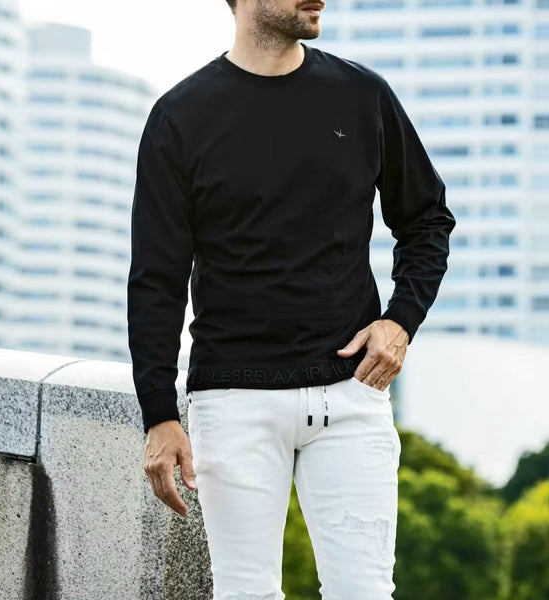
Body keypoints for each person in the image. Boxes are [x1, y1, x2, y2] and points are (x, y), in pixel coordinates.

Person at [127, 0, 456, 598]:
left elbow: (427, 220)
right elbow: (156, 280)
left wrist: (400, 321)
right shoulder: (181, 116)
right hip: (233, 401)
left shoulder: (362, 96)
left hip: (351, 395)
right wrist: (159, 415)